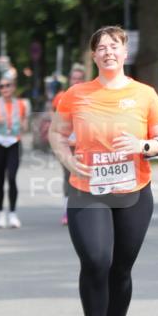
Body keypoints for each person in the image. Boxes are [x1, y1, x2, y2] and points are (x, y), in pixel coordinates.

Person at [49, 26, 158, 316]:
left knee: (121, 268)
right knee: (96, 259)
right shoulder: (76, 94)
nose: (108, 52)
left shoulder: (144, 94)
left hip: (133, 191)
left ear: (124, 52)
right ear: (93, 56)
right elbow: (56, 133)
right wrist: (66, 157)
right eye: (101, 47)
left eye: (114, 46)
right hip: (87, 190)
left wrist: (142, 146)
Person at [0, 74, 30, 228]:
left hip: (14, 143)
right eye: (1, 86)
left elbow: (25, 124)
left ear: (13, 87)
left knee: (12, 178)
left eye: (7, 85)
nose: (4, 89)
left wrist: (24, 125)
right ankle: (0, 214)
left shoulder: (21, 104)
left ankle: (12, 214)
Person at [52, 62, 87, 225]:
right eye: (74, 78)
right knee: (68, 176)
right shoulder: (61, 97)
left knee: (83, 176)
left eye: (80, 79)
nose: (76, 81)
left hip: (84, 145)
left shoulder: (89, 97)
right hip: (66, 144)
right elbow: (55, 121)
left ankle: (84, 209)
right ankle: (67, 209)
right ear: (70, 80)